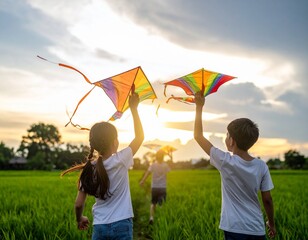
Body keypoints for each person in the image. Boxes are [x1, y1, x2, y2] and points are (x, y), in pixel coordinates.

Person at [193, 91, 276, 240]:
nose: (226, 138)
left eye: (227, 135)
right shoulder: (261, 166)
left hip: (234, 228)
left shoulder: (225, 161)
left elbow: (198, 136)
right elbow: (268, 200)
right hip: (257, 229)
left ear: (231, 141)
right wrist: (271, 222)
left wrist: (199, 107)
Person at [61, 93, 143, 240]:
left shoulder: (88, 169)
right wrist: (134, 109)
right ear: (114, 142)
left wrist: (79, 219)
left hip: (100, 227)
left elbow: (79, 204)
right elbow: (139, 137)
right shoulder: (121, 159)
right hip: (122, 224)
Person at [139, 149, 171, 224]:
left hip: (154, 187)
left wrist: (142, 181)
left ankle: (151, 217)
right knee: (161, 204)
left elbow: (147, 173)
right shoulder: (165, 165)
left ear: (156, 157)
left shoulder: (153, 165)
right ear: (163, 157)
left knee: (153, 203)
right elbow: (169, 171)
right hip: (162, 187)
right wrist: (170, 156)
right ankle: (160, 220)